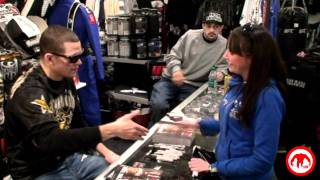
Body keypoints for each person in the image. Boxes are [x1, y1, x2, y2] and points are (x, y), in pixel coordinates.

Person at [4, 25, 149, 179]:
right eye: (73, 58)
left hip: (66, 159)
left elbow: (78, 125)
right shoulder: (29, 92)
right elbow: (50, 140)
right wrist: (112, 129)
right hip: (36, 171)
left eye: (81, 55)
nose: (79, 62)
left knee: (121, 174)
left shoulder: (65, 78)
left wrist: (109, 154)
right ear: (50, 58)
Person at [183, 23, 287, 179]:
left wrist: (214, 168)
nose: (226, 56)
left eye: (231, 51)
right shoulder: (238, 84)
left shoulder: (267, 98)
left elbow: (261, 161)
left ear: (250, 57)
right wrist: (199, 124)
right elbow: (233, 123)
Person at [149, 11, 227, 125]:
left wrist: (221, 73)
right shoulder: (190, 35)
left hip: (194, 85)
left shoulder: (224, 44)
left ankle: (176, 138)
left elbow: (223, 65)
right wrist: (176, 70)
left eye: (216, 27)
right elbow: (173, 55)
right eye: (209, 26)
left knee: (186, 113)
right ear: (203, 25)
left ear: (221, 28)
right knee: (158, 104)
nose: (212, 30)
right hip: (170, 80)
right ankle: (153, 131)